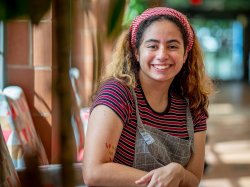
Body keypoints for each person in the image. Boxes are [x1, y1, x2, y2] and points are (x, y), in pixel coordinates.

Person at [83, 6, 214, 187]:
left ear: (185, 55)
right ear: (136, 53)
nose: (162, 55)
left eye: (172, 46)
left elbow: (193, 179)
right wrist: (161, 179)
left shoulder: (193, 106)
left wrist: (178, 172)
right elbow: (94, 172)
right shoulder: (118, 94)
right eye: (152, 46)